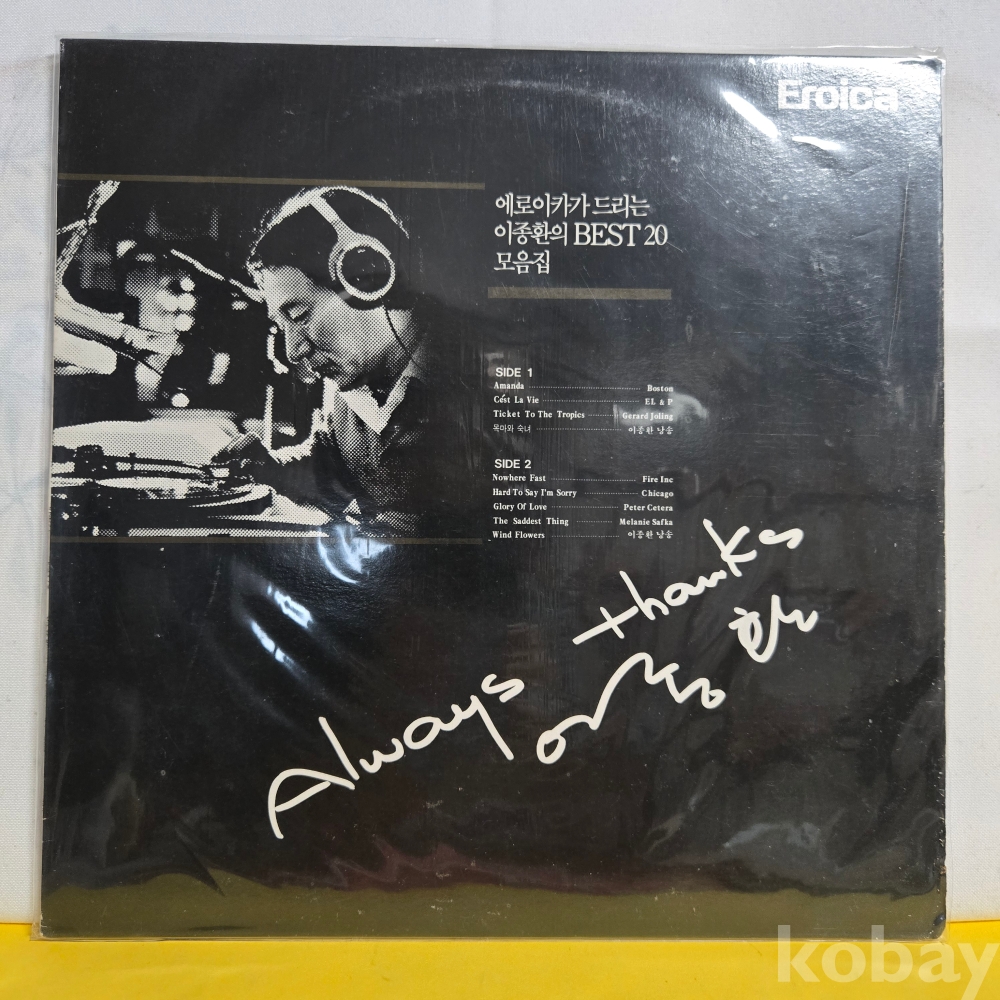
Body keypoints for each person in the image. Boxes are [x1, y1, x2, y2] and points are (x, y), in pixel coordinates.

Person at [246, 186, 483, 536]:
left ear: (365, 278)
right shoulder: (347, 385)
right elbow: (333, 474)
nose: (293, 350)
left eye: (298, 315)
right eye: (280, 326)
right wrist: (268, 465)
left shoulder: (477, 386)